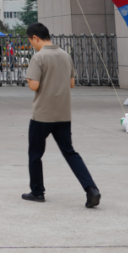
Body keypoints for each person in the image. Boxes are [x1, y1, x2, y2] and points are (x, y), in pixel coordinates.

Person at [23, 23, 100, 208]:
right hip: (63, 114)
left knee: (35, 154)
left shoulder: (39, 57)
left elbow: (34, 85)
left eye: (31, 41)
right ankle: (91, 189)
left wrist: (28, 78)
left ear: (35, 38)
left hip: (42, 114)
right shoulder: (65, 55)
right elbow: (71, 84)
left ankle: (37, 192)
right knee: (70, 152)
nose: (32, 45)